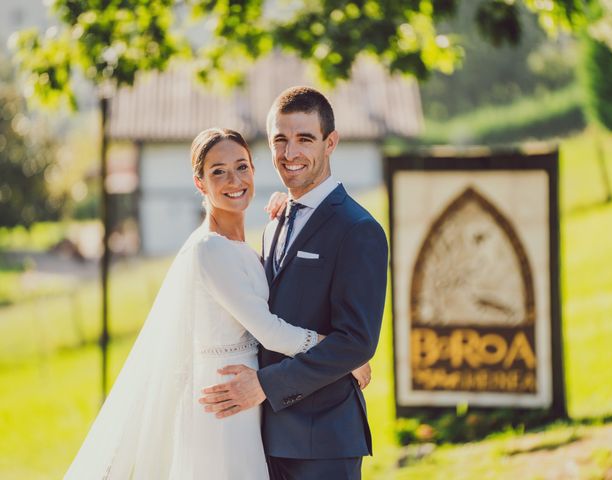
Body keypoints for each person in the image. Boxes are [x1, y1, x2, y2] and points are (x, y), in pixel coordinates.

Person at [64, 127, 370, 479]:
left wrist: (287, 211)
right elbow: (270, 331)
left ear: (254, 170)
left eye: (241, 167)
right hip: (225, 401)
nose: (233, 180)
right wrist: (344, 357)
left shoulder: (247, 242)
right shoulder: (209, 249)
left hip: (252, 398)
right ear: (200, 183)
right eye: (218, 172)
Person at [199, 87, 389, 480]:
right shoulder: (274, 220)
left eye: (305, 139)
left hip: (324, 439)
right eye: (280, 140)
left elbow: (356, 341)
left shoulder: (358, 229)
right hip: (263, 436)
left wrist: (266, 386)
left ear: (330, 142)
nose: (290, 153)